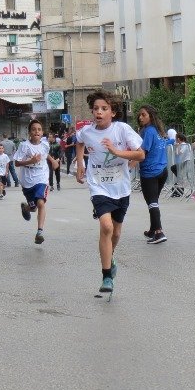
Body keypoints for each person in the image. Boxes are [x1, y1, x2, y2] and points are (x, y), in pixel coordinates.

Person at [75, 90, 144, 295]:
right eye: (96, 108)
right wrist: (80, 163)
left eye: (104, 109)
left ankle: (110, 256)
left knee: (116, 232)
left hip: (120, 186)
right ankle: (106, 276)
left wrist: (116, 152)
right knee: (106, 227)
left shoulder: (122, 129)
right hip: (98, 185)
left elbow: (140, 154)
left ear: (112, 112)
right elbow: (78, 141)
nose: (99, 112)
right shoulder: (87, 132)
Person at [14, 120, 59, 244]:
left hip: (42, 177)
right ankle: (26, 208)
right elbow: (16, 163)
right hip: (27, 180)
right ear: (29, 132)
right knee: (33, 208)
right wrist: (30, 161)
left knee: (40, 203)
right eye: (34, 129)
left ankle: (40, 232)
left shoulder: (45, 145)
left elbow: (45, 154)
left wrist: (53, 161)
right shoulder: (24, 146)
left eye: (39, 129)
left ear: (42, 132)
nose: (36, 131)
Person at [137, 104, 170, 243]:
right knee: (153, 202)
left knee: (152, 202)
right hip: (162, 170)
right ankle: (152, 229)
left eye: (143, 114)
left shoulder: (149, 131)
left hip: (150, 172)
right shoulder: (159, 131)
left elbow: (142, 153)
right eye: (140, 115)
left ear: (151, 115)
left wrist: (129, 163)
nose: (140, 117)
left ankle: (159, 232)